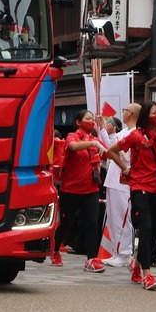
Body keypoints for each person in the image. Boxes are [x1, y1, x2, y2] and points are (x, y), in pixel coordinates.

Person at [105, 101, 156, 291]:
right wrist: (125, 168)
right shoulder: (136, 136)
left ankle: (138, 265)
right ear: (145, 117)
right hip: (139, 186)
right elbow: (111, 151)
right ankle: (147, 274)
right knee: (146, 227)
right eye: (154, 112)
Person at [51, 110, 106, 273]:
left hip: (91, 189)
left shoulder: (95, 139)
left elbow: (110, 151)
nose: (91, 121)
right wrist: (93, 144)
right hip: (71, 189)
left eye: (91, 119)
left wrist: (125, 165)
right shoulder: (73, 137)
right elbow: (72, 147)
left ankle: (91, 259)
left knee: (92, 223)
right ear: (78, 122)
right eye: (87, 119)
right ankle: (54, 251)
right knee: (67, 222)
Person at [99, 107, 138, 267]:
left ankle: (124, 254)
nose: (122, 113)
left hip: (124, 181)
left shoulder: (136, 133)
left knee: (122, 218)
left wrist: (116, 148)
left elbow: (124, 152)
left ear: (131, 114)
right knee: (114, 217)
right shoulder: (124, 132)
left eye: (125, 110)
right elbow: (110, 146)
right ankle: (116, 252)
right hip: (113, 179)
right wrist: (102, 126)